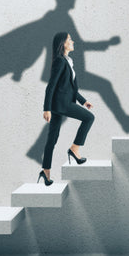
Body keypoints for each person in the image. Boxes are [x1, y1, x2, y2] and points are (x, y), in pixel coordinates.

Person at [38, 32, 94, 186]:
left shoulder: (67, 61)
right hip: (61, 104)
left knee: (52, 139)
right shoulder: (60, 62)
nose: (73, 41)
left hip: (60, 104)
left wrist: (83, 101)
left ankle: (46, 171)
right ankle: (74, 149)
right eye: (70, 39)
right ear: (63, 43)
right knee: (89, 118)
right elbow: (51, 86)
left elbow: (70, 88)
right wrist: (46, 108)